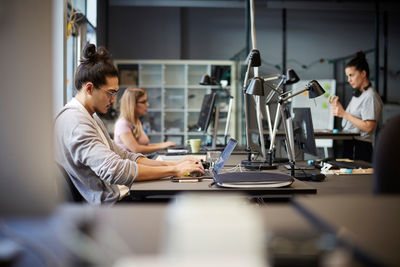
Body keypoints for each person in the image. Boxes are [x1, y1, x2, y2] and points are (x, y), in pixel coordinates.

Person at [54, 44, 204, 205]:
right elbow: (114, 170)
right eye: (110, 93)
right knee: (188, 202)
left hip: (119, 195)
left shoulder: (90, 117)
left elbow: (125, 156)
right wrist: (174, 170)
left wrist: (175, 164)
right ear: (89, 88)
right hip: (112, 206)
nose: (113, 100)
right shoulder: (75, 121)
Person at [328, 51, 383, 162]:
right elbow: (350, 120)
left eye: (351, 75)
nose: (348, 80)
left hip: (360, 148)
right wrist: (338, 108)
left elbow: (368, 127)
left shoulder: (370, 96)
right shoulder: (358, 95)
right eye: (347, 76)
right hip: (350, 144)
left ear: (363, 74)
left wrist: (344, 113)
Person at [114, 87, 176, 154]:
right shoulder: (122, 124)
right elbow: (136, 149)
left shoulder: (136, 121)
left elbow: (144, 146)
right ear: (132, 104)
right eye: (143, 102)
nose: (147, 104)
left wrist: (164, 144)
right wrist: (161, 146)